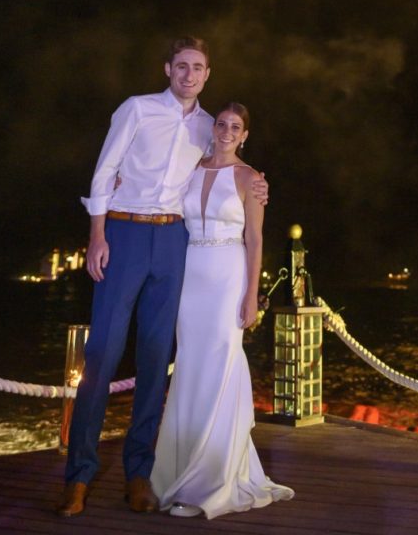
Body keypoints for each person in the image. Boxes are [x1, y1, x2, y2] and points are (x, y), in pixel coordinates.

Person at [56, 38, 268, 518]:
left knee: (155, 361)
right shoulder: (136, 109)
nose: (189, 75)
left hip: (174, 244)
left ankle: (139, 474)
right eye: (182, 66)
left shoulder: (206, 129)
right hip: (125, 234)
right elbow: (104, 170)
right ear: (168, 69)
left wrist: (257, 183)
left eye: (198, 68)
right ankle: (78, 479)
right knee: (103, 353)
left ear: (207, 75)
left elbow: (223, 175)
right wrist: (97, 233)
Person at [151, 102, 294, 519]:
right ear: (212, 128)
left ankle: (209, 481)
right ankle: (180, 467)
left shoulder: (251, 179)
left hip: (228, 275)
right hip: (189, 276)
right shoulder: (190, 170)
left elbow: (255, 240)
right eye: (222, 123)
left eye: (236, 127)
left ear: (245, 135)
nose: (228, 131)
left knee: (220, 363)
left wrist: (252, 295)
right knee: (191, 366)